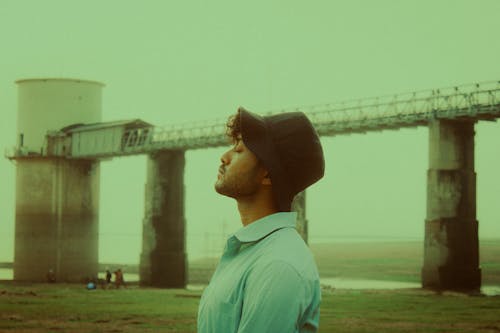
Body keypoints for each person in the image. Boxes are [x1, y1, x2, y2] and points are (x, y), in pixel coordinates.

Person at [197, 107, 325, 333]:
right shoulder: (252, 250)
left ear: (267, 173)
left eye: (239, 150)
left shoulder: (278, 265)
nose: (224, 157)